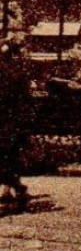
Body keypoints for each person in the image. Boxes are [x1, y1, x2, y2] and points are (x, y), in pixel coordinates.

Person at [0, 40, 34, 214]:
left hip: (7, 123)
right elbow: (26, 100)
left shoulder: (9, 73)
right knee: (9, 158)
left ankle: (16, 190)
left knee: (6, 159)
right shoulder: (20, 72)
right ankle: (15, 189)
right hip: (14, 124)